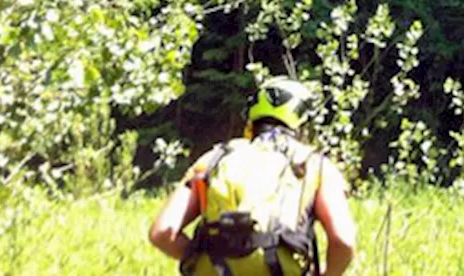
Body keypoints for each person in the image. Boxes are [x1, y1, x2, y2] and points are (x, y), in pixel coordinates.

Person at [149, 77, 357, 276]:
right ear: (303, 123)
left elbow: (162, 234)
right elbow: (343, 241)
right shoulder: (315, 164)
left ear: (251, 120)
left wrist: (204, 258)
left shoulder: (214, 158)